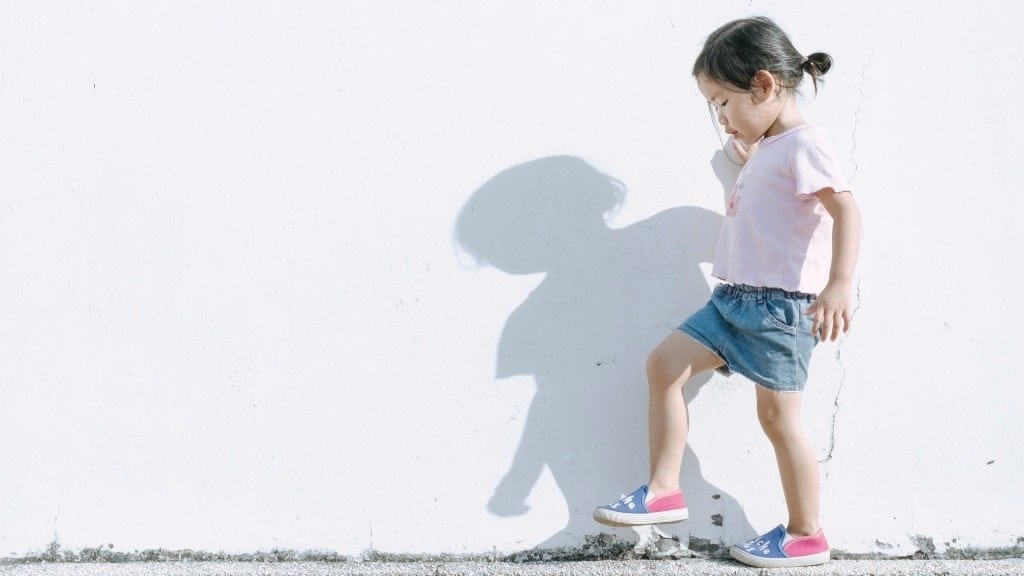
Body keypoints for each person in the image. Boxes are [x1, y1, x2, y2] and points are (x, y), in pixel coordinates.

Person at [592, 16, 861, 569]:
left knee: (778, 421)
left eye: (723, 102)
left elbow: (845, 209)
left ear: (764, 85)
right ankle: (663, 489)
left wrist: (839, 283)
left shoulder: (805, 145)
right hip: (732, 300)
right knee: (664, 364)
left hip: (780, 308)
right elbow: (741, 179)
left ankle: (806, 533)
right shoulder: (765, 146)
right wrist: (742, 142)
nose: (720, 118)